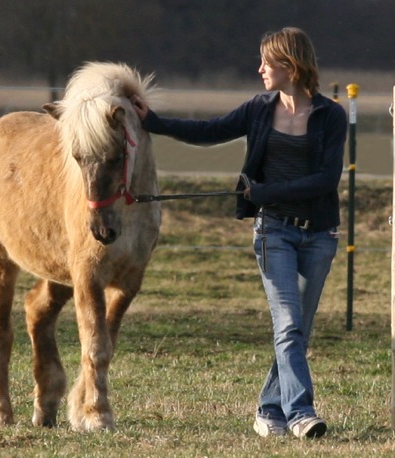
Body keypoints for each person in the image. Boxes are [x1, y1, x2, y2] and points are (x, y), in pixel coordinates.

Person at [132, 27, 346, 439]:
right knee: (287, 324)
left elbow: (326, 179)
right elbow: (209, 131)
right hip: (274, 232)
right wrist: (153, 122)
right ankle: (301, 413)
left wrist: (266, 190)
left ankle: (269, 410)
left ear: (291, 65)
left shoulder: (330, 115)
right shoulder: (259, 109)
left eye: (267, 62)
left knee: (298, 328)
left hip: (320, 235)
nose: (260, 68)